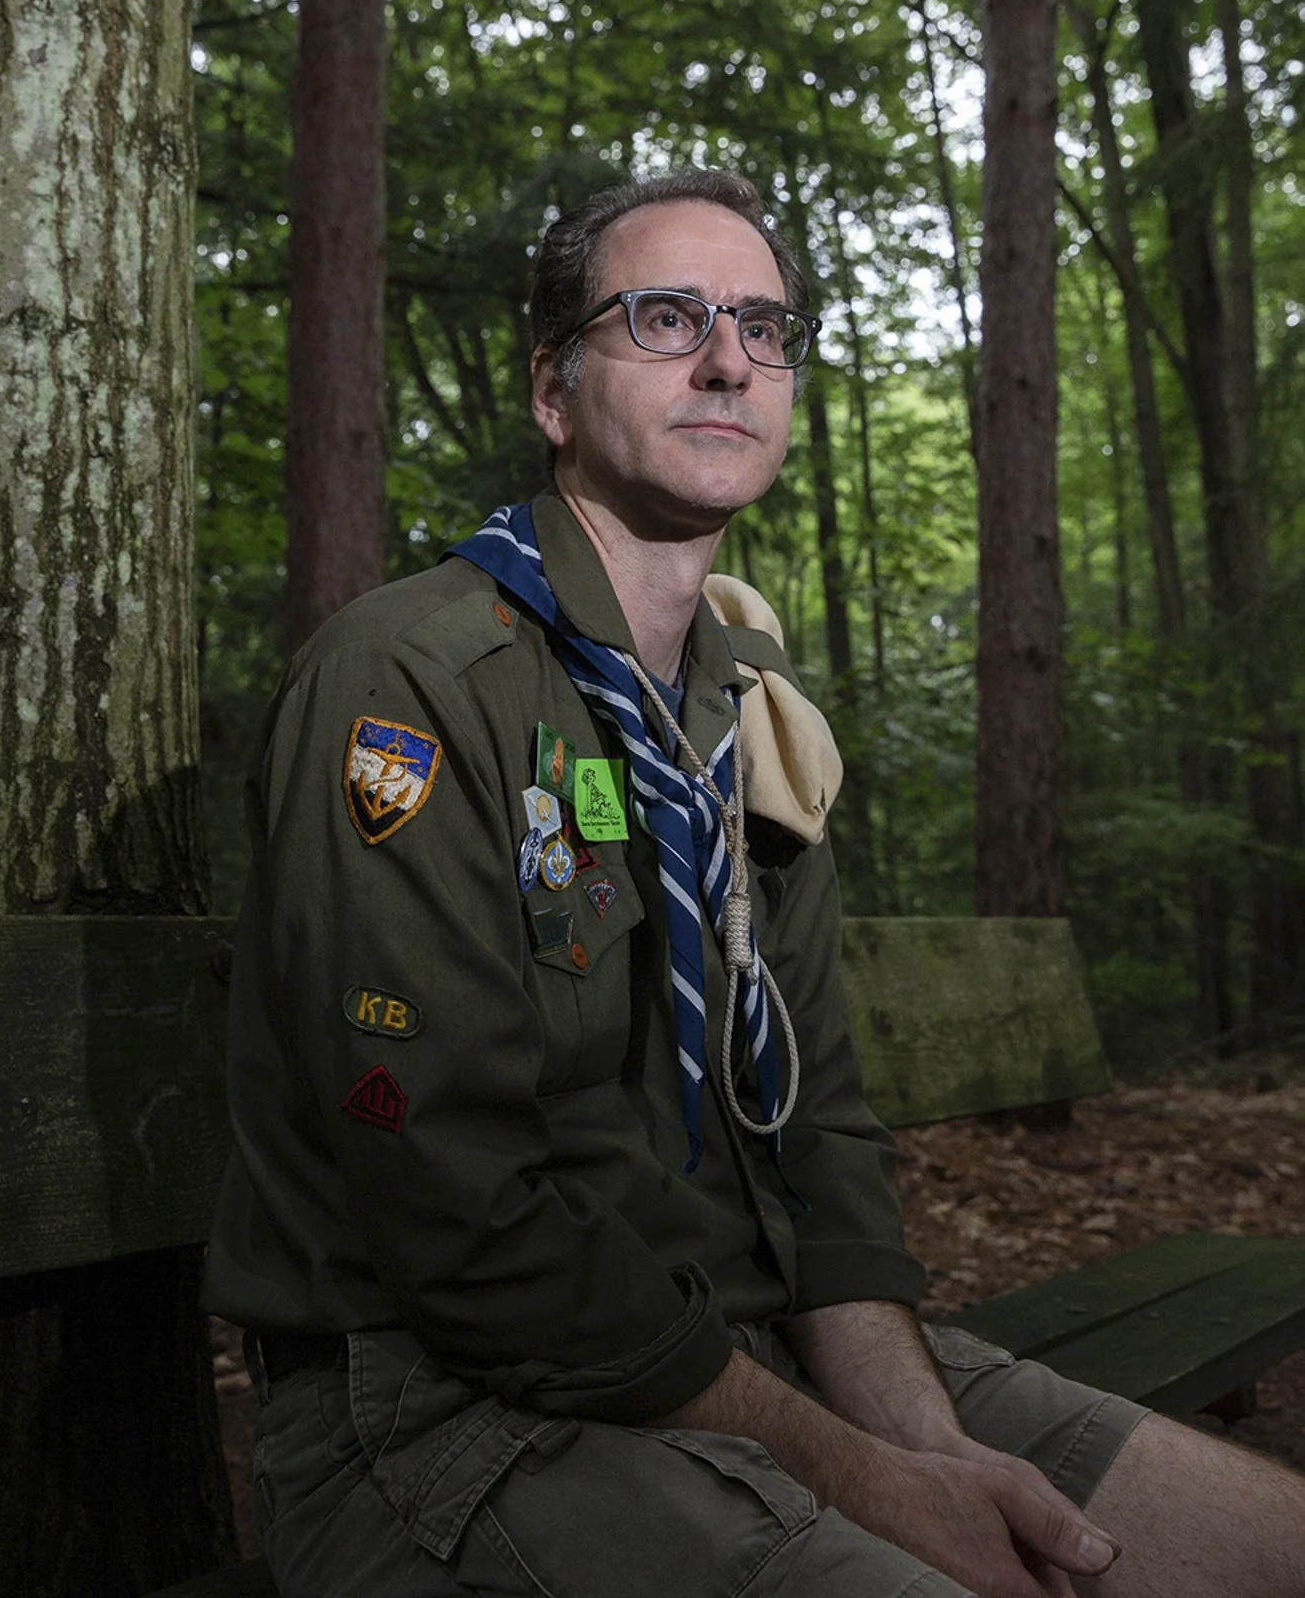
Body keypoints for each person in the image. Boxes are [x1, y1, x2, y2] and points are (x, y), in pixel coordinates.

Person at [206, 168, 1305, 1597]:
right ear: (554, 391)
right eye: (665, 318)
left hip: (743, 1354)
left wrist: (926, 1449)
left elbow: (825, 1142)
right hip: (442, 1418)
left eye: (766, 328)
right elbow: (458, 1214)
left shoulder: (753, 714)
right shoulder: (414, 681)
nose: (730, 357)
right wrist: (860, 1480)